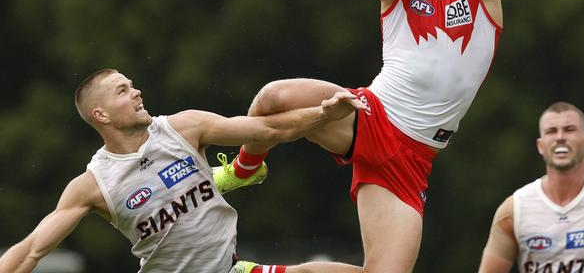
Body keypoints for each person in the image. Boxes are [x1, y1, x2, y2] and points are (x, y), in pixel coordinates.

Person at [214, 0, 505, 273]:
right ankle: (245, 168)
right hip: (371, 115)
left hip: (415, 157)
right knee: (272, 98)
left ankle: (256, 272)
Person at [0, 69, 369, 273]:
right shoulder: (93, 185)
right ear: (101, 115)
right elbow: (32, 250)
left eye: (132, 85)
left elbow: (270, 130)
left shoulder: (184, 127)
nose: (137, 92)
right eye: (123, 90)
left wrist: (323, 113)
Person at [478, 101, 584, 272]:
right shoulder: (514, 210)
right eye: (551, 131)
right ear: (540, 146)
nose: (560, 137)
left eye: (569, 129)